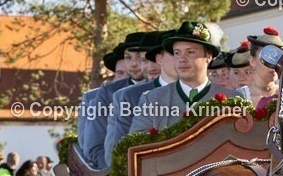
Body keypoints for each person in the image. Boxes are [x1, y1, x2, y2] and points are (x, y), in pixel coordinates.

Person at [129, 21, 239, 133]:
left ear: (208, 56)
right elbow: (136, 146)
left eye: (190, 52)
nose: (182, 59)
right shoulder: (151, 100)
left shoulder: (233, 100)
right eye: (177, 53)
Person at [104, 30, 177, 163]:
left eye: (156, 60)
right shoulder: (127, 96)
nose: (151, 67)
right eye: (144, 60)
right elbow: (115, 154)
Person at [80, 32, 148, 168]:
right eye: (128, 58)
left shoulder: (165, 87)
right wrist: (115, 174)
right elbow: (94, 145)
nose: (134, 64)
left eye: (140, 58)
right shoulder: (108, 92)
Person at [247, 27, 283, 109]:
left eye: (279, 57)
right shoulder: (242, 97)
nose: (274, 63)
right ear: (252, 61)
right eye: (267, 57)